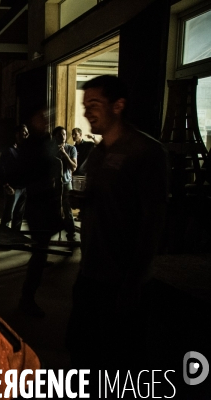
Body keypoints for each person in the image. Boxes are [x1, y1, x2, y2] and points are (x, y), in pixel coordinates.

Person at [66, 75, 169, 371]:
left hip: (124, 277)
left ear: (118, 105)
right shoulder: (98, 153)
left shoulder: (146, 151)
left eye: (94, 104)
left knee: (122, 357)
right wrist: (84, 202)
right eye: (86, 106)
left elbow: (154, 219)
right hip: (91, 272)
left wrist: (135, 280)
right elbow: (105, 200)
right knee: (82, 350)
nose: (87, 112)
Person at [7, 106, 63, 317]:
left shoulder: (45, 141)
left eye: (47, 117)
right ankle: (27, 299)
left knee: (41, 250)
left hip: (46, 203)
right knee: (39, 252)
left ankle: (28, 296)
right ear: (33, 120)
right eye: (42, 117)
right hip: (38, 206)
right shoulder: (31, 145)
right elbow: (23, 174)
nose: (46, 120)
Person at [0, 124, 28, 231]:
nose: (26, 134)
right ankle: (3, 238)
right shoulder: (9, 150)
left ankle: (15, 238)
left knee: (19, 215)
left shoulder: (24, 150)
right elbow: (0, 169)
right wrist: (6, 185)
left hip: (23, 187)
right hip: (13, 188)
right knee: (8, 215)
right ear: (17, 134)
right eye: (24, 131)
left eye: (27, 131)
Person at [52, 126, 77, 241]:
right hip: (53, 184)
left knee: (67, 209)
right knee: (54, 208)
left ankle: (71, 234)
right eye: (59, 135)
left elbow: (73, 167)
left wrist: (64, 155)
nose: (63, 137)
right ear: (54, 137)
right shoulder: (50, 149)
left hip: (66, 183)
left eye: (64, 134)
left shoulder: (71, 149)